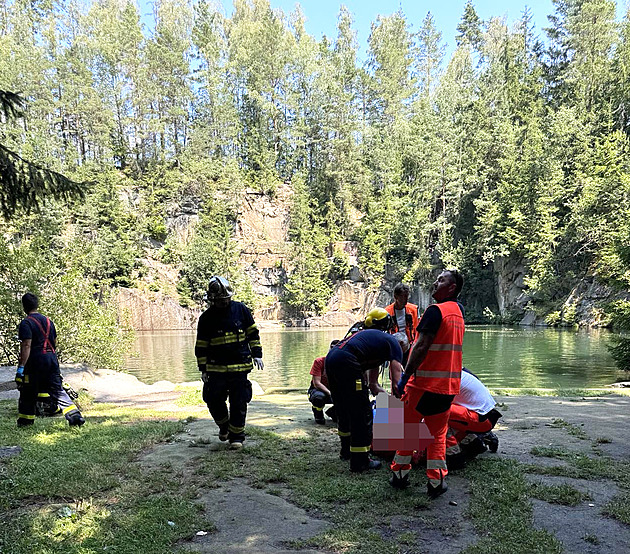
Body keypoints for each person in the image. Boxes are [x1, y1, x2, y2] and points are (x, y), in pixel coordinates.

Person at [390, 269, 465, 498]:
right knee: (437, 434)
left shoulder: (435, 311)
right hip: (448, 388)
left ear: (451, 288)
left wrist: (404, 378)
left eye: (441, 280)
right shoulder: (458, 313)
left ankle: (400, 473)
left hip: (423, 385)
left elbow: (420, 347)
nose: (435, 283)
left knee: (408, 431)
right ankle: (436, 481)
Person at [325, 308, 404, 472]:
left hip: (332, 358)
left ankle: (346, 451)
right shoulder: (393, 342)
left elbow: (373, 385)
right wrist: (402, 407)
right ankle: (360, 461)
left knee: (344, 409)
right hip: (347, 361)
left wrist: (387, 400)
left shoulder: (369, 340)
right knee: (362, 412)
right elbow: (397, 383)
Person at [195, 276, 263, 450]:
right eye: (219, 300)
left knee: (239, 402)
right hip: (215, 369)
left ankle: (236, 437)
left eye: (225, 299)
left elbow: (253, 334)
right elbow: (201, 346)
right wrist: (203, 369)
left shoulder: (241, 310)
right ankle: (224, 426)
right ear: (211, 300)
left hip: (240, 367)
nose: (223, 303)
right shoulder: (206, 319)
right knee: (212, 399)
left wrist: (257, 355)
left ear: (230, 297)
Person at [15, 293, 85, 427]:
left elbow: (26, 345)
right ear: (37, 305)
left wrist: (21, 367)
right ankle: (75, 416)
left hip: (35, 361)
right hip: (51, 359)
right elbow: (54, 342)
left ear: (24, 306)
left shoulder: (26, 323)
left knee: (28, 391)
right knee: (57, 390)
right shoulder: (49, 321)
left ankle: (25, 421)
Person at [446, 368, 502, 467]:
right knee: (438, 410)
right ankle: (474, 441)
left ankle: (454, 457)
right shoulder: (453, 366)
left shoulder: (438, 376)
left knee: (435, 412)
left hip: (480, 418)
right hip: (485, 414)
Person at [385, 283, 419, 362]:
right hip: (395, 345)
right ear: (396, 297)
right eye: (403, 296)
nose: (406, 299)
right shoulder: (387, 312)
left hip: (410, 345)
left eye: (407, 296)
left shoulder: (413, 309)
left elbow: (416, 328)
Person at [308, 340, 339, 424]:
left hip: (336, 390)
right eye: (332, 347)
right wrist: (330, 393)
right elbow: (317, 383)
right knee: (318, 398)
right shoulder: (319, 362)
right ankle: (318, 414)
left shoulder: (343, 363)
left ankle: (333, 412)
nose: (333, 350)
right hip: (319, 390)